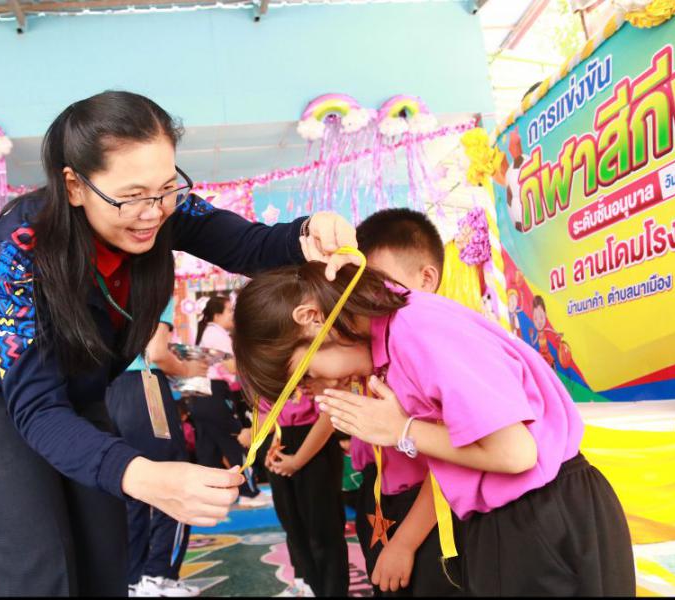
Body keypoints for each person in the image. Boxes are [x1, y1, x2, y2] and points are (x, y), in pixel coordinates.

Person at [0, 91, 358, 596]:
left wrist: (310, 233)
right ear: (74, 186)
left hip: (80, 381)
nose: (153, 212)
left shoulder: (163, 206)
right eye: (132, 196)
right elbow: (39, 410)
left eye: (166, 187)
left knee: (103, 546)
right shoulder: (19, 253)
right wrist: (148, 478)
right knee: (37, 557)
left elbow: (247, 243)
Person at [232, 262, 635, 596]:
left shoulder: (414, 328)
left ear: (310, 318)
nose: (316, 388)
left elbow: (516, 452)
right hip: (511, 514)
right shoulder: (394, 336)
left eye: (304, 375)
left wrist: (401, 430)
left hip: (539, 513)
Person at [347, 208, 461, 597]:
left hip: (429, 506)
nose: (364, 300)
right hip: (381, 493)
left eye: (377, 284)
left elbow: (456, 456)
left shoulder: (433, 346)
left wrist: (405, 543)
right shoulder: (379, 343)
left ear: (426, 278)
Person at [105, 299, 206, 597]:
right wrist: (186, 368)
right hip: (146, 387)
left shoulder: (107, 285)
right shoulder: (156, 286)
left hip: (109, 391)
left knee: (132, 485)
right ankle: (159, 576)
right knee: (173, 479)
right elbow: (156, 352)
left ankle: (133, 579)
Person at [259, 387, 348, 597]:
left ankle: (332, 591)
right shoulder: (269, 375)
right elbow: (276, 412)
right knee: (293, 526)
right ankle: (308, 585)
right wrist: (274, 445)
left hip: (314, 442)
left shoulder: (311, 371)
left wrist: (297, 461)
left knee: (323, 531)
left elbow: (328, 417)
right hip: (283, 440)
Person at [192, 295, 270, 509]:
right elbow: (233, 367)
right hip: (214, 393)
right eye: (229, 310)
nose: (233, 315)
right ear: (217, 315)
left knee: (208, 449)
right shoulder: (216, 334)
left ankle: (207, 496)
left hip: (200, 395)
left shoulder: (208, 333)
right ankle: (249, 492)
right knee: (235, 439)